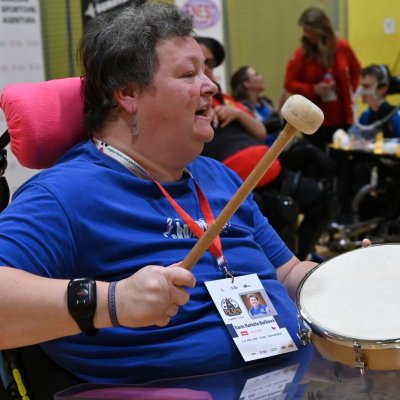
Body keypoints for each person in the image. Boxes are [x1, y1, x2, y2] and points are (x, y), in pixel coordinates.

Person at [0, 2, 326, 393]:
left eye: (206, 71)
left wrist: (352, 279)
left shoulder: (219, 177)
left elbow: (287, 273)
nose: (211, 86)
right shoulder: (65, 194)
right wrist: (113, 301)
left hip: (288, 380)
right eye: (189, 73)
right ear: (128, 93)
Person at [196, 36, 334, 260]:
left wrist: (237, 114)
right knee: (284, 209)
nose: (207, 69)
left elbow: (261, 132)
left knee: (325, 201)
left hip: (271, 168)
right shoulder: (187, 103)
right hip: (237, 183)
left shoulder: (226, 99)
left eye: (210, 63)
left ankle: (302, 258)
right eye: (199, 62)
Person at [230, 65, 337, 183]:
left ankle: (325, 184)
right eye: (256, 74)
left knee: (308, 150)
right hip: (270, 152)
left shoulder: (265, 102)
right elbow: (260, 130)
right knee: (308, 150)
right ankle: (335, 174)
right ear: (246, 83)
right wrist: (277, 110)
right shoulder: (243, 108)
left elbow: (276, 123)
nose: (261, 76)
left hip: (285, 144)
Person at [284, 7, 361, 151]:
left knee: (342, 157)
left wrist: (353, 93)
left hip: (341, 117)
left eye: (309, 30)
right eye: (304, 30)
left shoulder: (342, 47)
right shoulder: (301, 54)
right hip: (313, 119)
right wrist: (313, 89)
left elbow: (356, 70)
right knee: (319, 159)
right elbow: (289, 83)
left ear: (321, 29)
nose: (306, 34)